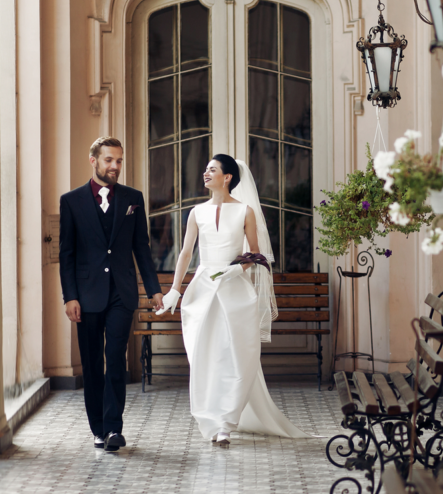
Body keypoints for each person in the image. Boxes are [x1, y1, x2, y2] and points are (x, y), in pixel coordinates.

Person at [156, 154, 312, 441]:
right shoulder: (196, 212)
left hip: (235, 290)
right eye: (205, 169)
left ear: (227, 177)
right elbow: (186, 253)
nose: (206, 173)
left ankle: (226, 424)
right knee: (205, 356)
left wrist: (236, 269)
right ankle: (211, 419)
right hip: (202, 290)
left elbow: (256, 253)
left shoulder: (245, 212)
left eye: (212, 170)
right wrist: (175, 291)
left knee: (236, 356)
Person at [59, 137, 162, 451]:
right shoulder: (71, 200)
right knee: (91, 364)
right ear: (93, 160)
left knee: (116, 358)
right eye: (109, 160)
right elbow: (68, 254)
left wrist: (154, 289)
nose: (115, 166)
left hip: (122, 292)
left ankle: (114, 428)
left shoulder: (133, 198)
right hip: (86, 295)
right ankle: (99, 429)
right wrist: (69, 296)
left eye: (119, 160)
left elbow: (141, 249)